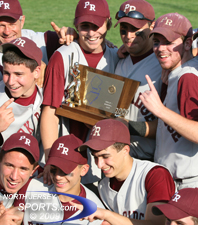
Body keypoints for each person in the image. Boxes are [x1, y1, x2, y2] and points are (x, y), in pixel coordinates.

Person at [40, 0, 119, 184]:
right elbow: (50, 112)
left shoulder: (117, 56)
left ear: (107, 24)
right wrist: (51, 159)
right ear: (76, 25)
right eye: (85, 26)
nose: (91, 33)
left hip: (105, 158)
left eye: (97, 25)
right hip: (67, 154)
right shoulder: (63, 56)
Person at [137, 13, 198, 190]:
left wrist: (160, 110)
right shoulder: (176, 72)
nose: (161, 49)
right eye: (156, 42)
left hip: (187, 184)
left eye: (169, 43)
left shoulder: (188, 78)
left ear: (187, 44)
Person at [78, 119, 175, 224]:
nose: (99, 164)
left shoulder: (155, 174)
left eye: (105, 156)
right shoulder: (103, 186)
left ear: (125, 150)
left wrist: (108, 215)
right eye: (95, 157)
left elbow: (157, 224)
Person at [14, 134, 105, 225]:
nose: (57, 177)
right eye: (53, 170)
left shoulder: (96, 211)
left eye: (65, 171)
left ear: (84, 170)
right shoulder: (31, 186)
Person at [114, 0, 162, 161]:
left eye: (135, 29)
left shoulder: (163, 65)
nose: (128, 36)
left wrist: (125, 126)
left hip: (151, 159)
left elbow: (170, 124)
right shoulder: (118, 60)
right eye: (124, 29)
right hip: (119, 158)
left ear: (152, 26)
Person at [0, 37, 43, 151]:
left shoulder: (46, 97)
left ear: (36, 72)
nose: (11, 81)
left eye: (18, 74)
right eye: (6, 73)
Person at [0, 132, 40, 223]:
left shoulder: (37, 185)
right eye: (9, 165)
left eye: (23, 169)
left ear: (33, 171)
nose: (14, 176)